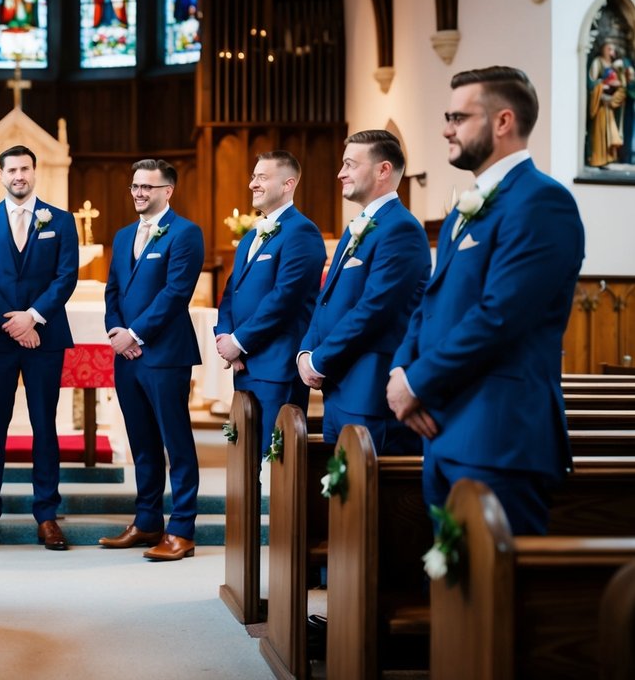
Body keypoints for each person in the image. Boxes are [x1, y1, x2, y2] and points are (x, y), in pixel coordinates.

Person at [387, 66, 585, 536]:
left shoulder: (543, 203)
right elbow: (429, 302)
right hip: (444, 428)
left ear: (502, 121)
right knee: (455, 599)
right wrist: (401, 368)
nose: (445, 129)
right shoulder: (464, 206)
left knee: (495, 603)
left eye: (458, 116)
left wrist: (416, 381)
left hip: (499, 434)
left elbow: (501, 316)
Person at [0, 145, 79, 552]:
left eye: (25, 168)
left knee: (44, 426)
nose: (19, 175)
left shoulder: (61, 221)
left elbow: (66, 277)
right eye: (11, 169)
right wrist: (13, 324)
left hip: (44, 337)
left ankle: (47, 515)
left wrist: (33, 317)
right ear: (0, 175)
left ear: (35, 172)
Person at [297, 131, 428, 455]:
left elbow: (374, 310)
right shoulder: (357, 226)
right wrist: (305, 351)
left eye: (350, 164)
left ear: (383, 170)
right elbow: (324, 298)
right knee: (341, 498)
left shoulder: (401, 229)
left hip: (369, 391)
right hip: (341, 386)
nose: (341, 173)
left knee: (364, 499)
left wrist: (320, 359)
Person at [101, 159, 205, 561]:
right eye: (134, 186)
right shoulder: (125, 234)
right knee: (141, 443)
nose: (139, 193)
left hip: (163, 355)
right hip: (127, 357)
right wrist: (116, 331)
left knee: (175, 442)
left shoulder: (185, 233)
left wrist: (136, 334)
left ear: (168, 191)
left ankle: (182, 528)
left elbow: (176, 294)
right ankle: (147, 521)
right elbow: (113, 290)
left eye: (147, 187)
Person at [214, 151, 326, 455]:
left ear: (288, 183)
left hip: (277, 366)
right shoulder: (251, 237)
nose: (253, 184)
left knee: (276, 461)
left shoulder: (302, 232)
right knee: (245, 459)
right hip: (245, 365)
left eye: (262, 177)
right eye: (253, 177)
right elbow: (230, 294)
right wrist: (224, 335)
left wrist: (239, 340)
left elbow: (285, 299)